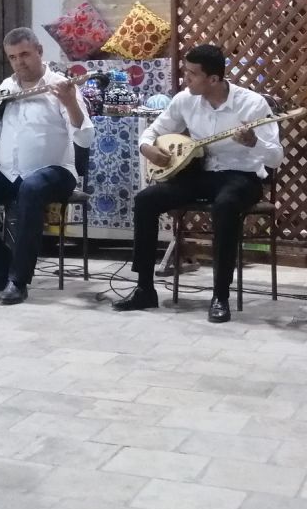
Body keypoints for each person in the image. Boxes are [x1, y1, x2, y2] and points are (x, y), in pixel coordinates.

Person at [115, 43, 282, 320]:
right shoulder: (185, 99)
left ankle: (220, 296)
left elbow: (276, 157)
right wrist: (147, 147)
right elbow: (155, 130)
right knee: (146, 200)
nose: (185, 79)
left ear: (214, 79)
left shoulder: (252, 104)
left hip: (242, 176)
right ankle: (144, 288)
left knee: (225, 206)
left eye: (192, 74)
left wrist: (255, 143)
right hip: (200, 173)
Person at [0, 27, 94, 305]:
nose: (20, 62)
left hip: (57, 172)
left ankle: (19, 280)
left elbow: (85, 136)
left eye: (25, 54)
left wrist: (70, 102)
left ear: (40, 52)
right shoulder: (7, 88)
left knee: (31, 188)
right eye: (13, 57)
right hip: (11, 173)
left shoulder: (61, 85)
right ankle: (1, 269)